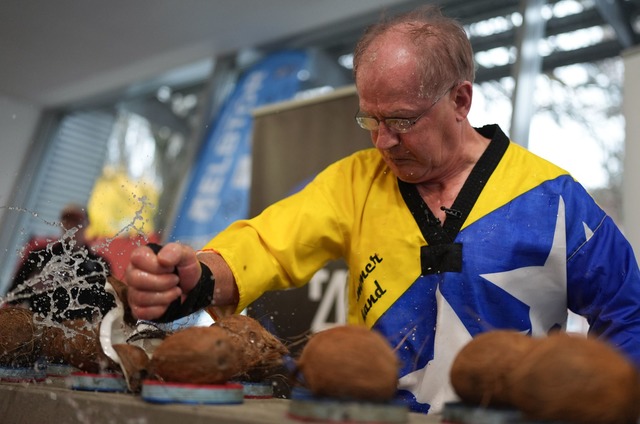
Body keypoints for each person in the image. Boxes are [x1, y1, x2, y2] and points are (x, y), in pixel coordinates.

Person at [124, 6, 640, 414]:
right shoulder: (355, 181)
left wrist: (604, 401)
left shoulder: (553, 198)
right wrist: (197, 278)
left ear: (460, 101)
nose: (383, 141)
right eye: (368, 119)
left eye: (401, 119)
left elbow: (627, 312)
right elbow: (266, 244)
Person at [7, 204, 116, 322]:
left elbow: (109, 307)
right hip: (41, 326)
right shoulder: (41, 256)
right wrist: (31, 287)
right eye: (67, 220)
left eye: (76, 222)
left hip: (79, 332)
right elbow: (12, 297)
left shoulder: (99, 265)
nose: (71, 226)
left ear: (87, 224)